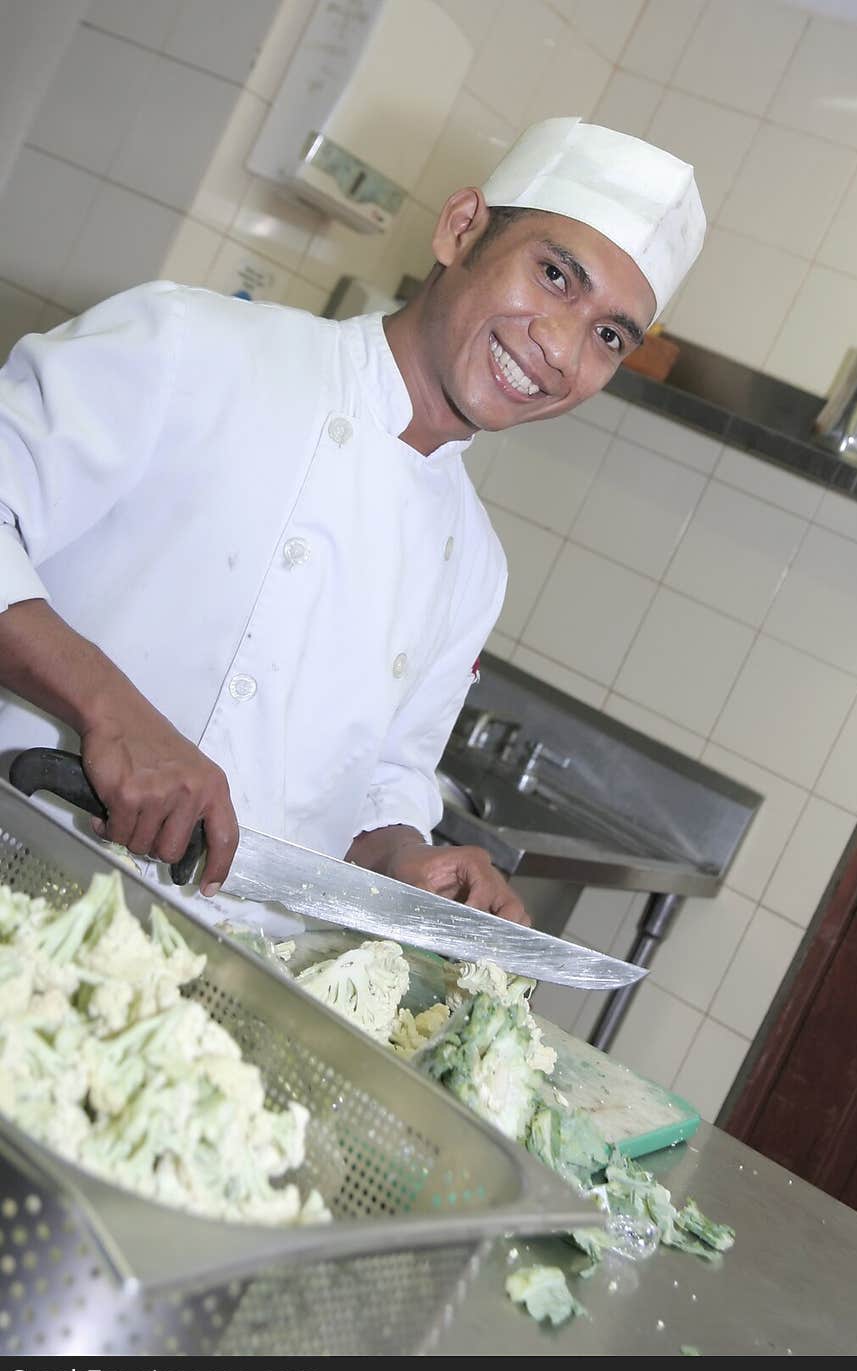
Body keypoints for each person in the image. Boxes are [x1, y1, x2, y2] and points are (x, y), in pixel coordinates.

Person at [0, 118, 704, 929]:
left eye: (609, 336)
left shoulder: (474, 565)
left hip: (204, 980)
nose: (559, 348)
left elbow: (381, 785)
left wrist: (411, 862)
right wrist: (110, 710)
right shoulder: (194, 346)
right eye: (553, 276)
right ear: (460, 228)